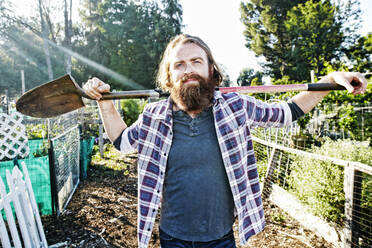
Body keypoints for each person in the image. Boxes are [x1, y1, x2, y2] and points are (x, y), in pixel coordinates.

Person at [83, 34, 367, 248]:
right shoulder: (154, 116)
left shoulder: (235, 107)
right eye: (179, 65)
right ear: (169, 77)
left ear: (211, 71)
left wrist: (330, 81)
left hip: (222, 239)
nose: (188, 69)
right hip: (172, 238)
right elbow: (122, 142)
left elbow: (287, 112)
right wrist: (104, 103)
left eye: (196, 61)